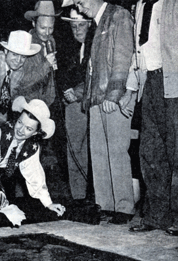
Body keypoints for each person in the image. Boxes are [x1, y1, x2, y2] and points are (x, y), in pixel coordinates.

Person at [67, 0, 135, 224]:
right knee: (98, 154)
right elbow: (92, 68)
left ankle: (123, 207)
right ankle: (105, 204)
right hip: (96, 98)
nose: (79, 6)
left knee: (116, 151)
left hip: (109, 97)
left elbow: (123, 57)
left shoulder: (118, 15)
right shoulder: (98, 22)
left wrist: (114, 95)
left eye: (81, 0)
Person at [0, 96, 65, 226]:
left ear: (35, 133)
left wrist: (48, 203)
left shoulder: (31, 147)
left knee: (6, 211)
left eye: (28, 128)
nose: (20, 130)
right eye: (20, 122)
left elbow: (35, 174)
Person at [128, 0, 178, 236]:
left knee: (176, 152)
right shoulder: (140, 6)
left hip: (175, 84)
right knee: (151, 152)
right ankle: (156, 216)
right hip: (151, 83)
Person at [59, 8, 94, 200]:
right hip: (73, 103)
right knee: (74, 148)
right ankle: (78, 197)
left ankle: (95, 197)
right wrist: (67, 93)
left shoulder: (96, 43)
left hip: (92, 100)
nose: (77, 30)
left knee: (94, 149)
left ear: (89, 24)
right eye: (73, 26)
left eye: (81, 25)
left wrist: (78, 92)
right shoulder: (70, 46)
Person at [0, 30, 41, 124]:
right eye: (15, 54)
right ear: (6, 51)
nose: (18, 61)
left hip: (1, 115)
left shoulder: (20, 71)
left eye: (23, 57)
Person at [22, 0, 61, 106]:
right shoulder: (26, 44)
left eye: (51, 28)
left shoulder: (51, 41)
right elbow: (23, 81)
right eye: (43, 28)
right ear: (34, 23)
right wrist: (46, 64)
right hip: (28, 102)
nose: (47, 33)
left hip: (46, 102)